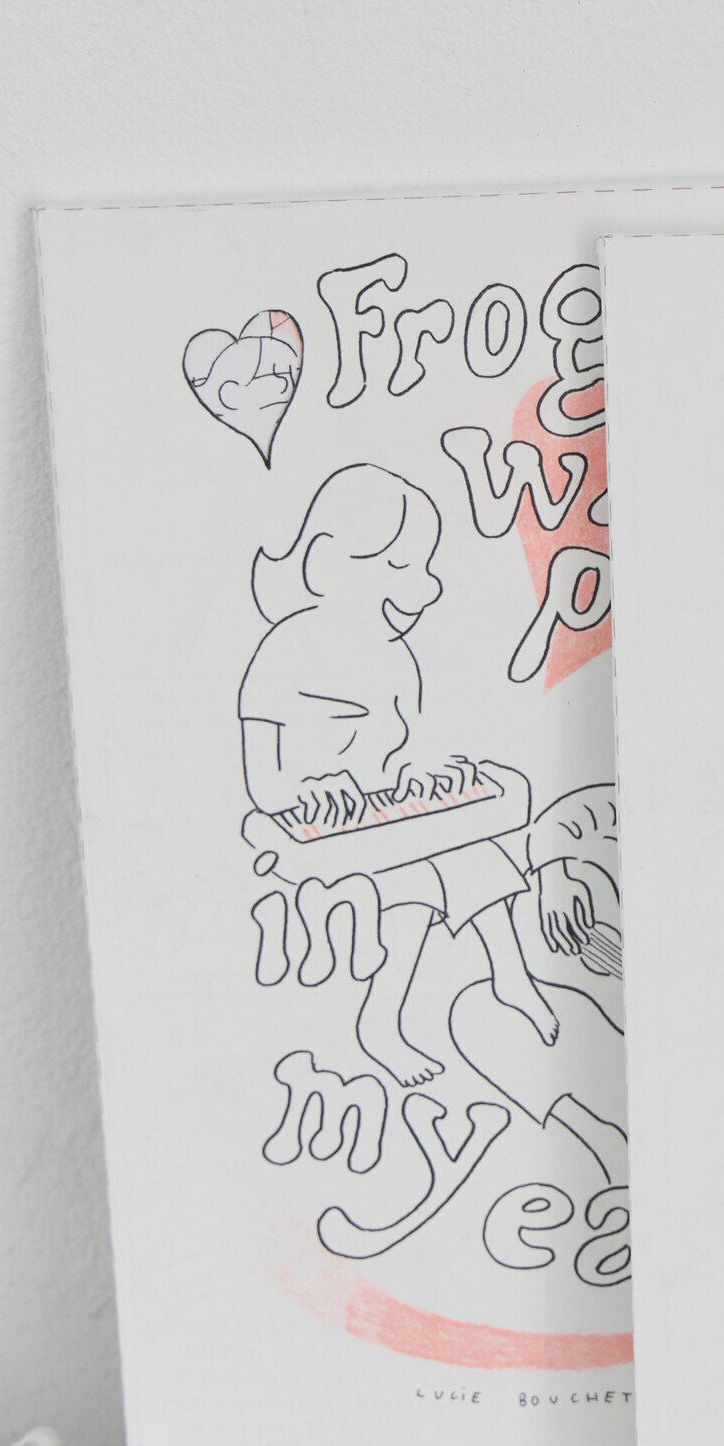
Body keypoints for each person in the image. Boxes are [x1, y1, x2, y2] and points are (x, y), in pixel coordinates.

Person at [238, 464, 555, 1085]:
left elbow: (399, 754)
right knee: (416, 880)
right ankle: (381, 1022)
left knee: (477, 852)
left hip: (384, 817)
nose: (428, 587)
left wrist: (428, 773)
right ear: (328, 565)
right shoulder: (284, 651)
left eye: (425, 566)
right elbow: (262, 781)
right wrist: (305, 791)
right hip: (309, 832)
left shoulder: (396, 658)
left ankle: (512, 977)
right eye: (401, 565)